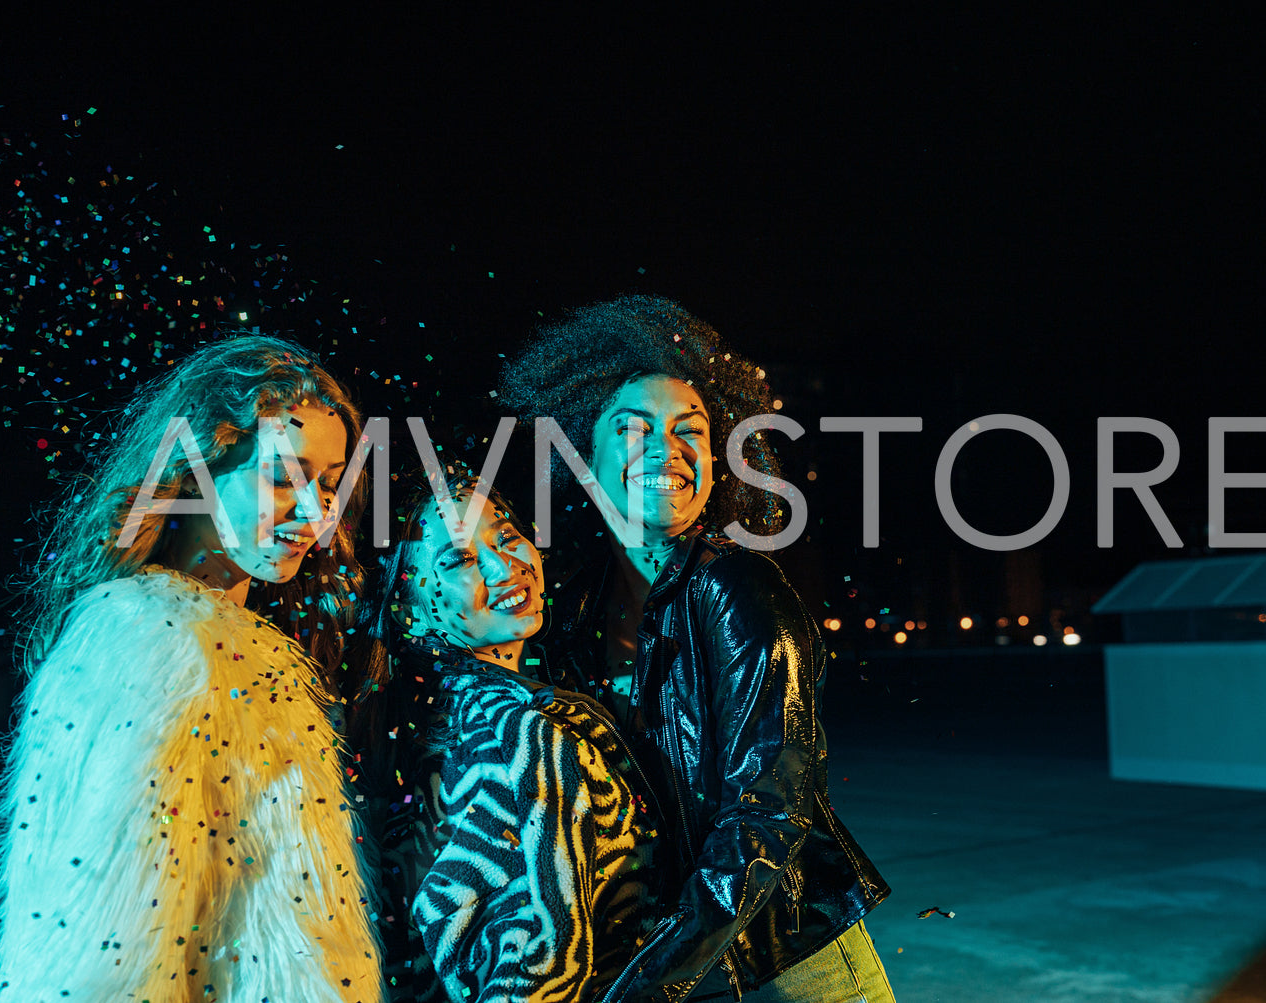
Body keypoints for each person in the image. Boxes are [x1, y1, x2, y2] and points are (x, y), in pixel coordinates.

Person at [500, 296, 895, 1002]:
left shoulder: (738, 587)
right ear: (581, 459)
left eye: (691, 431)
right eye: (633, 428)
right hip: (673, 956)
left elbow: (768, 810)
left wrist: (656, 975)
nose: (667, 449)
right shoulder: (570, 613)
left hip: (784, 962)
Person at [0, 336, 384, 1002]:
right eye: (283, 476)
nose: (317, 513)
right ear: (198, 468)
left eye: (331, 482)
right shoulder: (147, 640)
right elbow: (100, 942)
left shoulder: (239, 645)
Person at [347, 464, 662, 1002]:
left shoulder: (434, 718)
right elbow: (530, 974)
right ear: (410, 610)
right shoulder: (518, 737)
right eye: (461, 559)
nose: (505, 564)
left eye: (508, 536)